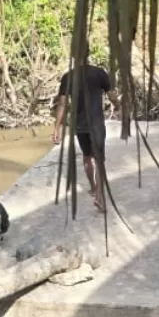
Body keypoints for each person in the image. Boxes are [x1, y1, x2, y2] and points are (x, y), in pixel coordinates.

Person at [52, 63, 114, 212]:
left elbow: (62, 104)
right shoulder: (99, 73)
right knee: (99, 160)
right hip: (97, 124)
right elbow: (112, 95)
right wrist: (119, 106)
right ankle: (99, 196)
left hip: (80, 126)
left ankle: (93, 187)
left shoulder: (68, 77)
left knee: (87, 158)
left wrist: (56, 128)